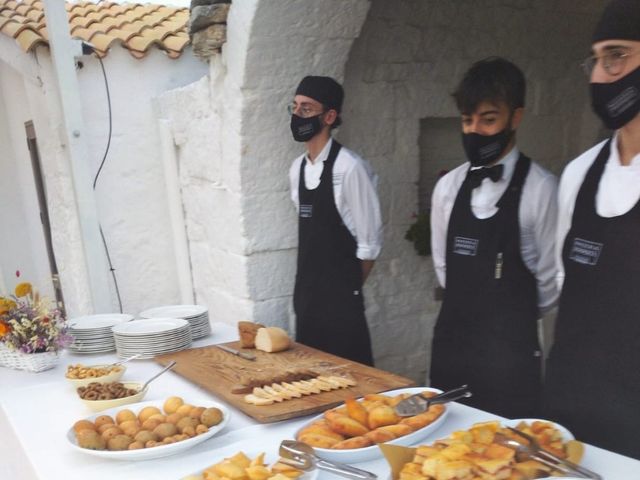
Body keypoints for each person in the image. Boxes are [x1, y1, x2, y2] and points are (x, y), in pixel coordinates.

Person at [429, 58, 558, 418]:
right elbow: (443, 268)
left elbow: (550, 280)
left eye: (488, 120)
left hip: (511, 359)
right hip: (452, 349)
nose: (475, 131)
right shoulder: (447, 188)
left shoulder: (541, 189)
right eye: (468, 121)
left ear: (515, 117)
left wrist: (508, 323)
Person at [544, 0, 640, 459]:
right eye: (595, 60)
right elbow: (567, 286)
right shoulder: (579, 173)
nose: (599, 77)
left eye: (616, 57)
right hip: (571, 411)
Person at [288, 76, 382, 366]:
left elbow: (369, 246)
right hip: (306, 300)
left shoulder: (351, 168)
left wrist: (344, 289)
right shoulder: (296, 169)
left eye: (306, 109)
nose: (297, 115)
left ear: (329, 116)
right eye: (294, 107)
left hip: (342, 305)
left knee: (352, 383)